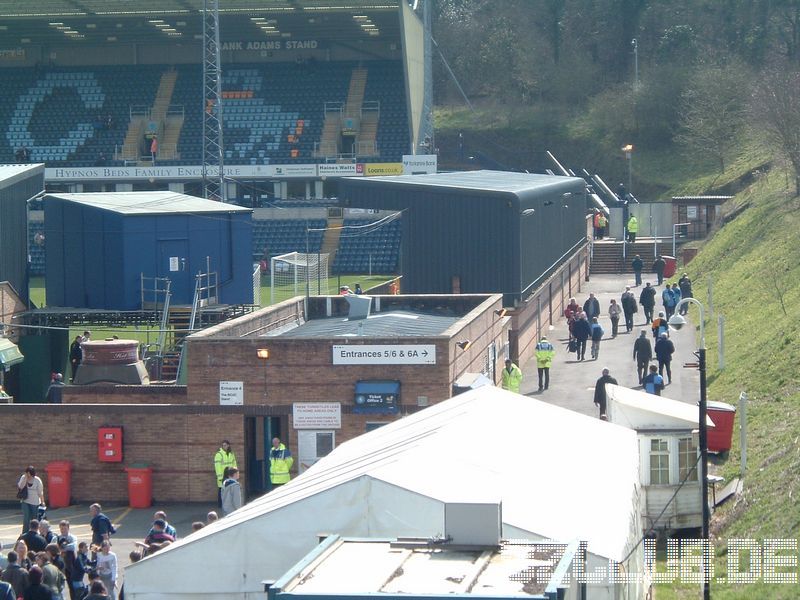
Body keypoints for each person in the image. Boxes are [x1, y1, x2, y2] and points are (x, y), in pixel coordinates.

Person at [214, 440, 238, 507]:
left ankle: (228, 504)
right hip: (222, 475)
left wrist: (235, 473)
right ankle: (220, 504)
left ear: (228, 445)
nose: (224, 446)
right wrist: (219, 476)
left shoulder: (231, 454)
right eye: (223, 445)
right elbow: (217, 466)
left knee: (229, 489)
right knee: (221, 490)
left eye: (225, 445)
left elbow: (234, 463)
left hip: (230, 474)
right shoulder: (219, 454)